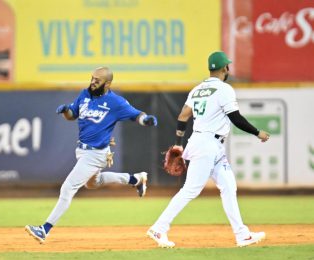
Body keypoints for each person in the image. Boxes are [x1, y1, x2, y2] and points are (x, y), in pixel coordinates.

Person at [147, 51, 270, 248]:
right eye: (227, 66)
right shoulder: (224, 89)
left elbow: (183, 115)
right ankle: (159, 228)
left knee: (229, 187)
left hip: (208, 144)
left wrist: (179, 141)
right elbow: (236, 118)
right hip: (207, 145)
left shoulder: (197, 90)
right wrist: (257, 133)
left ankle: (242, 235)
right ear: (225, 69)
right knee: (190, 190)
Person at [25, 66, 157, 244]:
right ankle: (136, 179)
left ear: (108, 83)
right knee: (94, 183)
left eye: (97, 80)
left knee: (68, 187)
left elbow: (136, 115)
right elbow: (73, 115)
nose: (93, 82)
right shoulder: (84, 94)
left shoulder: (115, 102)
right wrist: (66, 110)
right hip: (82, 150)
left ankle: (44, 229)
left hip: (96, 154)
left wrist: (145, 120)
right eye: (92, 78)